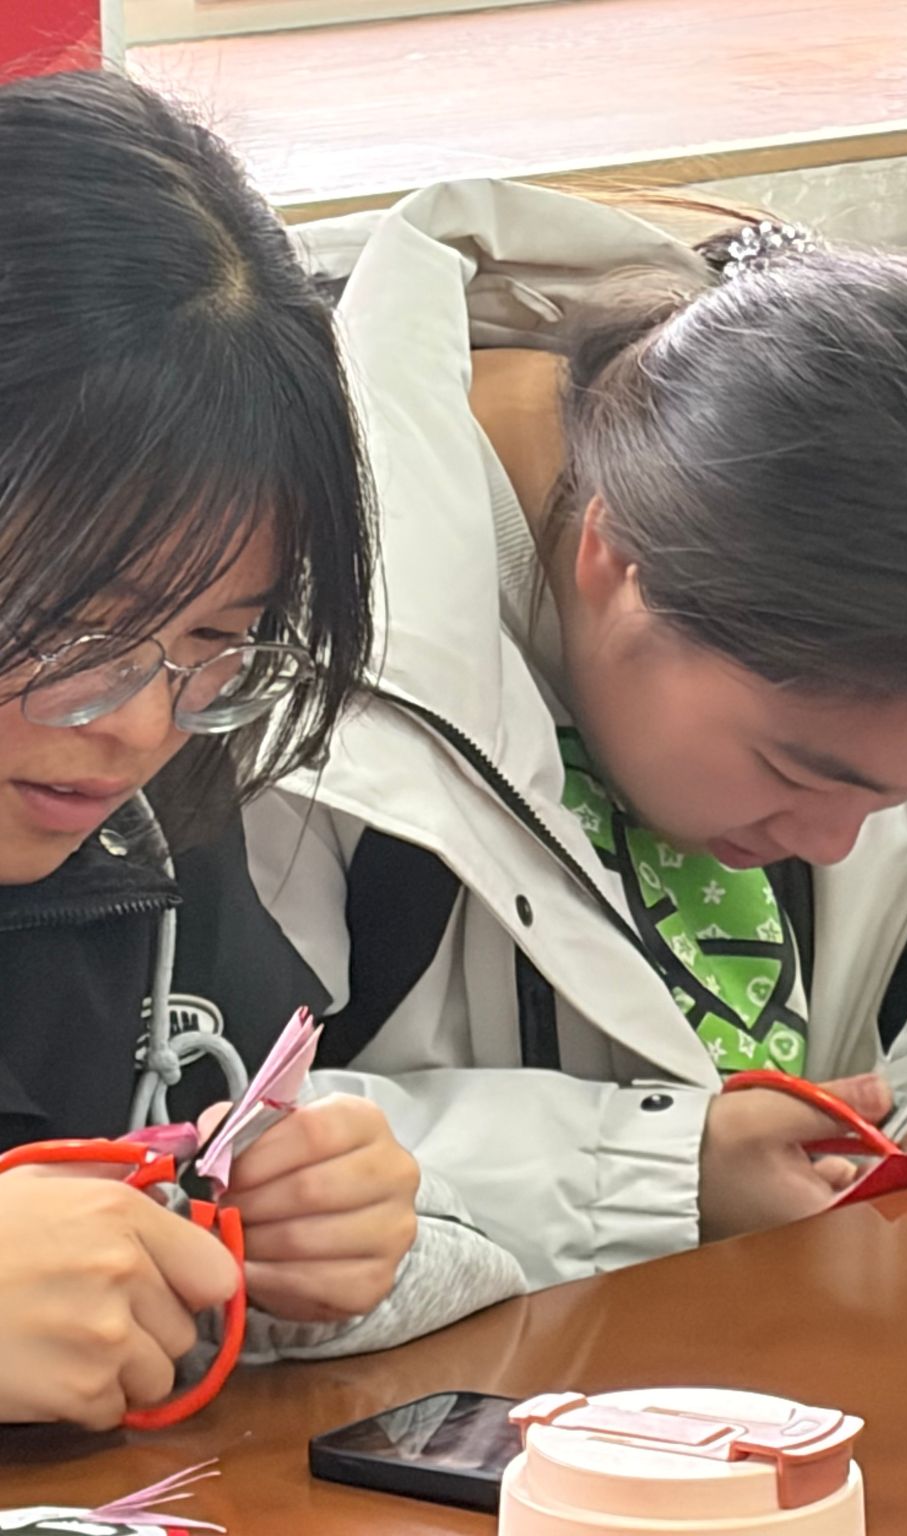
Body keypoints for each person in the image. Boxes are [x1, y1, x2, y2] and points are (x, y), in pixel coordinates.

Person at [246, 185, 907, 1288]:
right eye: (793, 770)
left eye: (900, 797)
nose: (833, 842)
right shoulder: (290, 635)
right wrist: (655, 1176)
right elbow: (206, 1135)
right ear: (615, 555)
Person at [0, 72, 518, 1430]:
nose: (135, 721)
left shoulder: (145, 833)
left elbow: (225, 1243)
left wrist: (331, 1254)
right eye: (65, 625)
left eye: (217, 640)